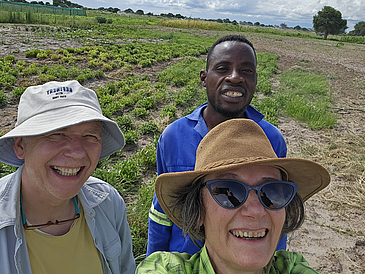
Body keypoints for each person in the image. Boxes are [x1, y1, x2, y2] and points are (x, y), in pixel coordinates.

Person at [147, 34, 287, 256]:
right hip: (185, 262)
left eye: (246, 71)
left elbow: (275, 209)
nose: (235, 77)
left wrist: (271, 262)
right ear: (204, 78)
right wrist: (153, 260)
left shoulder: (271, 139)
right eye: (222, 68)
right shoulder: (173, 136)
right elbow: (162, 210)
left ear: (255, 80)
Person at [137, 118, 330, 274]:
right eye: (229, 192)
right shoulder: (166, 269)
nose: (255, 211)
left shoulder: (292, 267)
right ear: (198, 211)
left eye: (271, 192)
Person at [0, 80, 135, 274]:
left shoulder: (108, 203)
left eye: (90, 136)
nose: (78, 153)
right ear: (21, 145)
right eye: (57, 134)